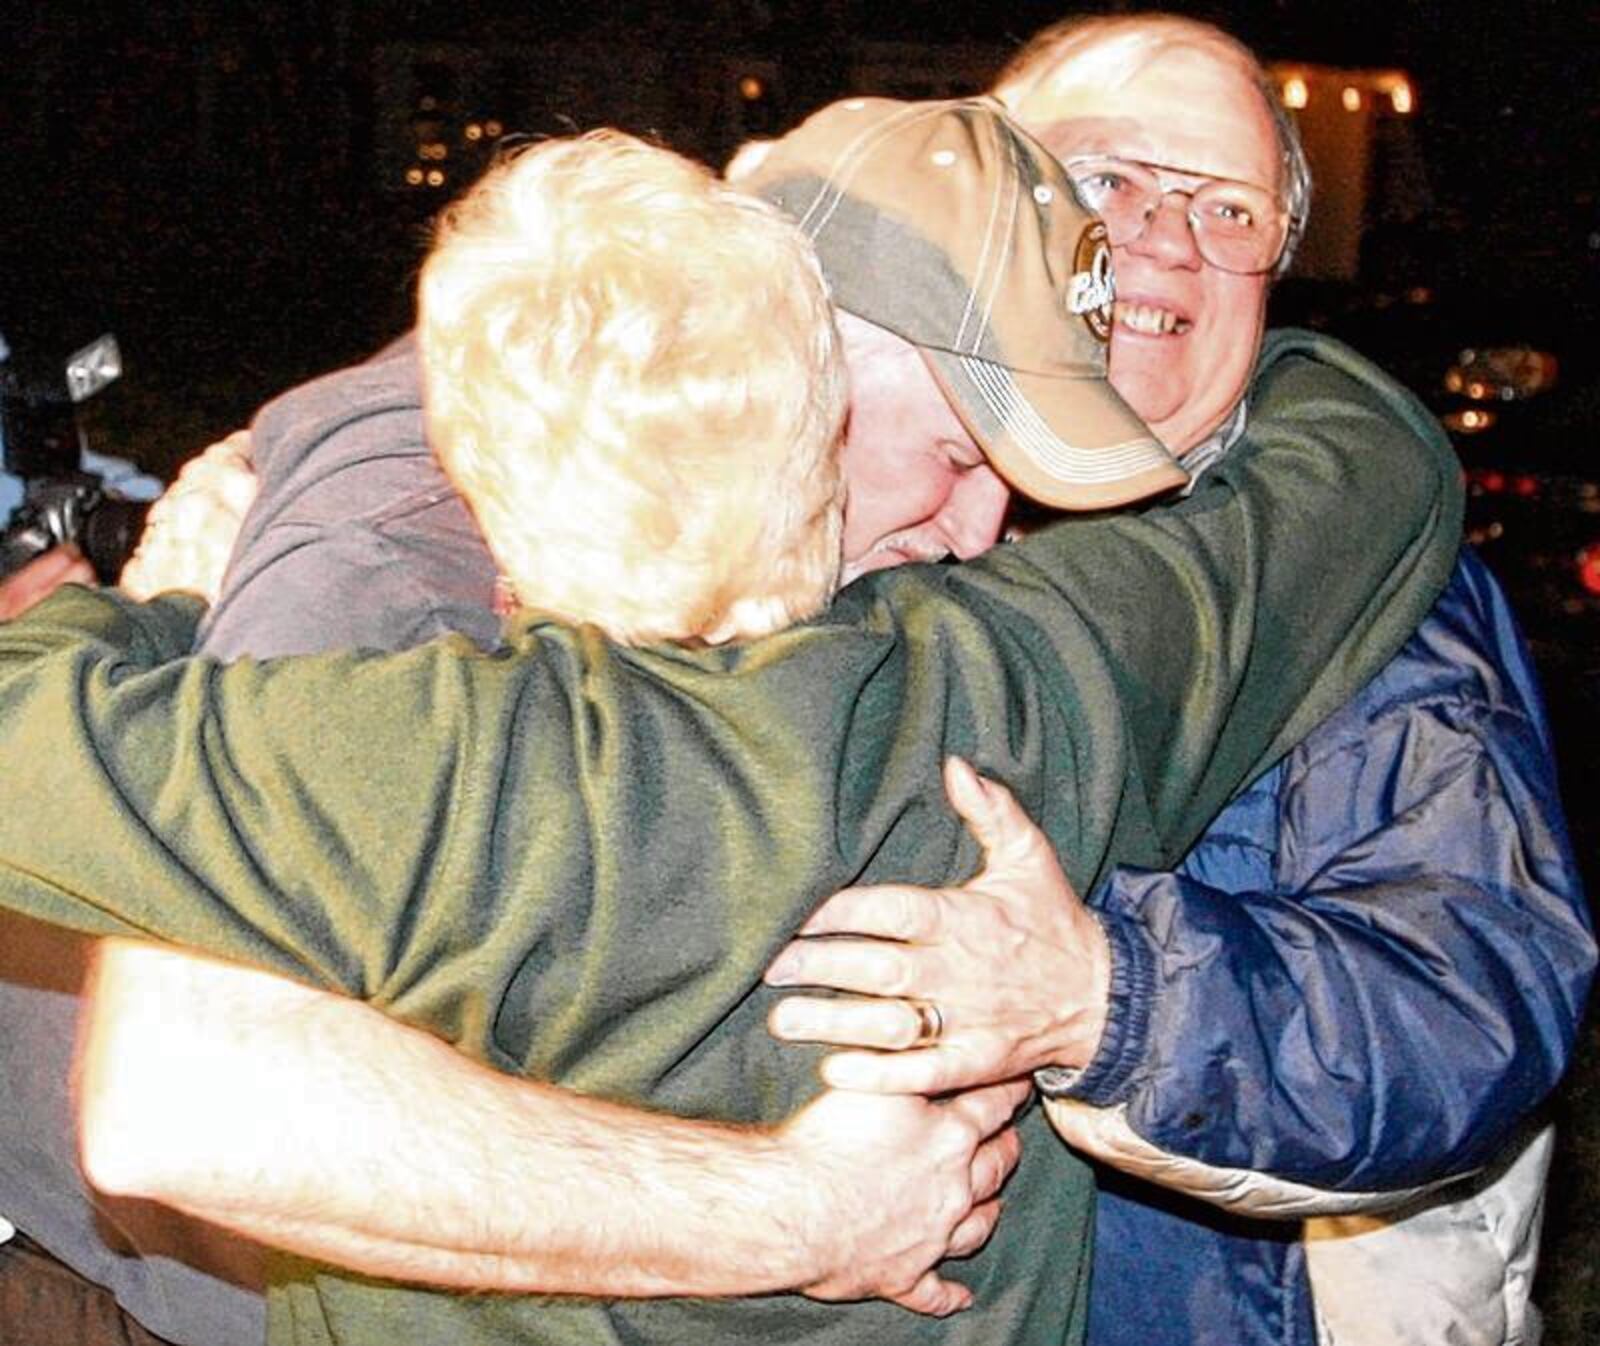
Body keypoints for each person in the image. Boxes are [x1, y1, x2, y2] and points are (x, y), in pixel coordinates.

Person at [0, 95, 1463, 1346]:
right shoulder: (1016, 677)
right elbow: (184, 1103)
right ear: (797, 341)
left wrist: (144, 619)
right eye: (958, 448)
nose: (977, 528)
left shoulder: (447, 748)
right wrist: (806, 1208)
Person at [754, 15, 1593, 1345]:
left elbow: (1475, 998)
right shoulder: (838, 476)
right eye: (1105, 181)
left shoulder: (1367, 581)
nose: (1160, 236)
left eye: (1230, 210)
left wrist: (1106, 993)